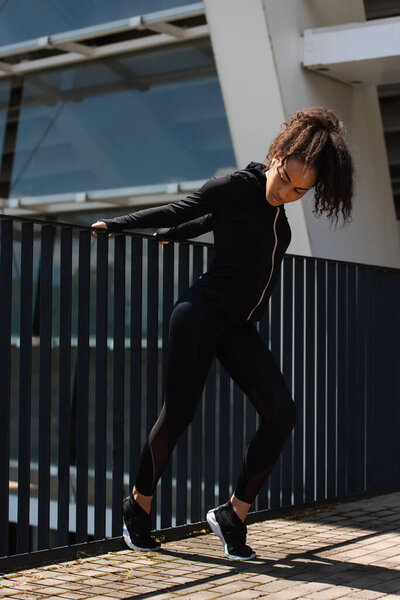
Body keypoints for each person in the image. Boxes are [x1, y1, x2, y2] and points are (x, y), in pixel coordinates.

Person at [91, 106, 354, 561]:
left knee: (282, 414)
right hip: (200, 314)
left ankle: (232, 514)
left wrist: (179, 234)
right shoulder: (234, 185)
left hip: (239, 327)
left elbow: (212, 223)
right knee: (178, 415)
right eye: (285, 180)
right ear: (277, 156)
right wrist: (119, 224)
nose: (286, 193)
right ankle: (137, 506)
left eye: (300, 191)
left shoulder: (277, 214)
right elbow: (187, 207)